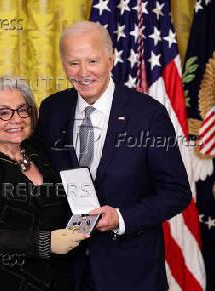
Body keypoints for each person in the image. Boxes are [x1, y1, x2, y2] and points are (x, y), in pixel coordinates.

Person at [34, 21, 192, 291]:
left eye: (92, 61)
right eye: (73, 63)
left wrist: (121, 217)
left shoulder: (148, 115)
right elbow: (31, 162)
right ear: (63, 64)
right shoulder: (52, 109)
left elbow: (176, 193)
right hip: (66, 271)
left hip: (130, 272)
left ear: (110, 60)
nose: (83, 73)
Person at [0, 77, 87, 291]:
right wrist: (45, 242)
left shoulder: (39, 152)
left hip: (55, 281)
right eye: (4, 112)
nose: (17, 119)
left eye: (23, 110)